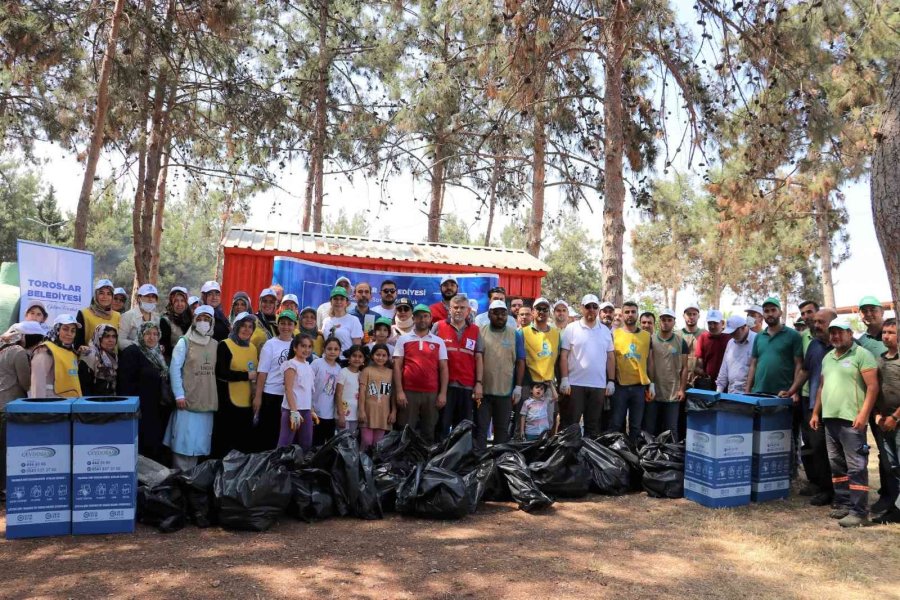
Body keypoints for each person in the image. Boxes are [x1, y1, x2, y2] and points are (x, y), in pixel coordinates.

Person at [810, 319, 879, 527]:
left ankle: (859, 512)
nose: (835, 337)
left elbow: (873, 387)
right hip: (830, 418)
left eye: (840, 332)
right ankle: (843, 503)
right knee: (837, 464)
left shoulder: (862, 355)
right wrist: (815, 413)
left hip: (852, 420)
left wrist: (863, 414)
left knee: (856, 467)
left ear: (850, 333)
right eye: (832, 333)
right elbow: (822, 387)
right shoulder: (828, 357)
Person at [784, 308, 838, 506]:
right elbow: (805, 371)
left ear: (832, 324)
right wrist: (791, 391)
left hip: (839, 410)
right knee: (818, 449)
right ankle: (825, 490)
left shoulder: (847, 347)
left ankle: (843, 494)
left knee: (839, 454)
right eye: (814, 322)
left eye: (821, 322)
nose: (816, 326)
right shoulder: (814, 345)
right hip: (815, 407)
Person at [165, 304, 218, 471]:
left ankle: (191, 482)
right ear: (194, 321)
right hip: (187, 401)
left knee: (197, 446)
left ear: (212, 322)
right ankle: (178, 482)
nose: (203, 322)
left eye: (207, 319)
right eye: (200, 318)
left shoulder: (216, 344)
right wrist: (179, 394)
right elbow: (174, 369)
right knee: (183, 445)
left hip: (206, 402)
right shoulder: (184, 342)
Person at [559, 294, 615, 438]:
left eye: (594, 307)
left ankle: (588, 459)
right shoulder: (571, 328)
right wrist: (564, 379)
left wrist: (611, 381)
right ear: (582, 308)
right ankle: (570, 458)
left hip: (598, 386)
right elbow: (564, 355)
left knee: (593, 426)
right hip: (575, 385)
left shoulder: (605, 331)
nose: (591, 310)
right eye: (588, 306)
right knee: (572, 425)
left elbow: (610, 357)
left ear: (598, 309)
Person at [393, 304, 448, 444]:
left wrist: (442, 393)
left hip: (431, 393)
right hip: (408, 392)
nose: (422, 319)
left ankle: (425, 463)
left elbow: (443, 369)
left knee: (428, 431)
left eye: (425, 316)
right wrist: (399, 391)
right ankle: (405, 463)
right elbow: (397, 366)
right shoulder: (403, 339)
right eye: (418, 316)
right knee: (406, 430)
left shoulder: (438, 341)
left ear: (430, 319)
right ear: (413, 319)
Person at [0, 321, 44, 496]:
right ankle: (3, 487)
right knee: (5, 449)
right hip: (9, 406)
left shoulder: (2, 350)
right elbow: (26, 383)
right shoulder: (18, 353)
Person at [433, 294, 483, 441]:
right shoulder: (439, 326)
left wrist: (479, 383)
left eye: (462, 308)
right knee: (442, 427)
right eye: (455, 307)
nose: (459, 311)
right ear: (449, 309)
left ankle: (459, 462)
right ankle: (440, 460)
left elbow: (479, 357)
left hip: (467, 387)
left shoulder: (475, 330)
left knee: (463, 430)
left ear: (468, 311)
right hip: (444, 387)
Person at [477, 300, 525, 452]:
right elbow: (476, 359)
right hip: (483, 393)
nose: (500, 316)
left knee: (502, 433)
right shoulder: (480, 331)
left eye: (503, 313)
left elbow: (520, 362)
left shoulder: (515, 334)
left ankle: (497, 465)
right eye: (496, 313)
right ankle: (479, 464)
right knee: (480, 431)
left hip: (505, 392)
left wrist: (518, 387)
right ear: (489, 314)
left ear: (507, 315)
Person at [118, 322, 170, 462]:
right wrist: (132, 407)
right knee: (141, 446)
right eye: (147, 333)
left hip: (157, 408)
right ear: (141, 335)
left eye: (155, 334)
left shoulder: (158, 353)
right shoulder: (132, 352)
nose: (151, 337)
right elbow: (125, 383)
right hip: (140, 409)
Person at [212, 311, 258, 457]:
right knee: (225, 443)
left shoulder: (252, 348)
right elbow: (221, 373)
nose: (246, 329)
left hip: (247, 403)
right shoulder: (225, 345)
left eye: (250, 327)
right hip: (228, 404)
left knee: (243, 443)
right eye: (243, 325)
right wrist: (245, 375)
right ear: (236, 326)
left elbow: (255, 373)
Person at [252, 309, 298, 452]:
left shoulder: (297, 345)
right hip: (271, 394)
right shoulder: (270, 344)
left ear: (294, 326)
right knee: (268, 435)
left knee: (283, 435)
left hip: (289, 397)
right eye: (282, 323)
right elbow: (262, 372)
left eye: (289, 324)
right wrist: (258, 397)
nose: (286, 327)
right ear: (278, 325)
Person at [610, 301, 654, 445]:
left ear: (637, 314)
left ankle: (634, 456)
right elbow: (610, 360)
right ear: (622, 315)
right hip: (619, 387)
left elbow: (650, 361)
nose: (630, 315)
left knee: (636, 426)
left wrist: (651, 383)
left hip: (639, 388)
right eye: (627, 312)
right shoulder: (614, 335)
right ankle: (617, 455)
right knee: (616, 424)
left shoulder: (646, 336)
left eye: (633, 312)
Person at [516, 297, 559, 435]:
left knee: (548, 422)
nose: (542, 312)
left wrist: (562, 381)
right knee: (524, 421)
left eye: (545, 309)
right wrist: (517, 386)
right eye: (538, 309)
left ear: (549, 312)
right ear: (533, 312)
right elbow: (519, 361)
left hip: (547, 387)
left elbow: (557, 360)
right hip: (528, 385)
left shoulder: (556, 334)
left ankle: (544, 454)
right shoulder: (522, 332)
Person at [645, 309, 688, 439]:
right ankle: (649, 456)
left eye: (669, 320)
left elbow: (685, 367)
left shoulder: (681, 342)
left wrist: (682, 389)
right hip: (653, 392)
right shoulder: (650, 340)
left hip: (672, 393)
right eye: (663, 319)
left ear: (674, 322)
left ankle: (671, 457)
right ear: (659, 322)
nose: (666, 322)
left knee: (671, 429)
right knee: (650, 427)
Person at [749, 298, 803, 397]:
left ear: (780, 313)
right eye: (766, 311)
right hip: (758, 392)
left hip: (782, 394)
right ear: (763, 314)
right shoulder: (759, 337)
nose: (770, 314)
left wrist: (794, 391)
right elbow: (753, 364)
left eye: (773, 310)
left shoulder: (793, 335)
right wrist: (748, 390)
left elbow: (798, 365)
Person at [874, 318, 900, 524]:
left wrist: (894, 417)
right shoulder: (880, 359)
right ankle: (896, 506)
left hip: (897, 420)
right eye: (884, 332)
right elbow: (875, 390)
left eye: (891, 332)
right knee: (892, 466)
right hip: (883, 422)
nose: (886, 336)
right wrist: (878, 415)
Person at [278, 334, 316, 451]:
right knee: (285, 443)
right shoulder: (291, 364)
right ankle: (277, 468)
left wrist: (311, 410)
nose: (307, 349)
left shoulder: (308, 366)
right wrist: (294, 411)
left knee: (306, 443)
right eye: (303, 346)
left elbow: (308, 391)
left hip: (306, 411)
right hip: (292, 410)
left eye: (309, 346)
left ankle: (300, 468)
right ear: (295, 347)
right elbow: (288, 389)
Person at [30, 314, 82, 398]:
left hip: (71, 404)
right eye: (65, 329)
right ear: (57, 329)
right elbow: (37, 382)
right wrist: (39, 407)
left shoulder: (71, 352)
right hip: (51, 406)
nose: (69, 334)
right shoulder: (45, 350)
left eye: (73, 331)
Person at [358, 343, 395, 452]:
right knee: (366, 441)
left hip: (383, 414)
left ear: (388, 357)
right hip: (368, 412)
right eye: (377, 354)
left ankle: (373, 466)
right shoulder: (367, 371)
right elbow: (362, 392)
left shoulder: (391, 373)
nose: (380, 357)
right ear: (372, 355)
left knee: (377, 444)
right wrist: (361, 411)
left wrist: (394, 412)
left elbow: (393, 394)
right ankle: (362, 463)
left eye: (384, 355)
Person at [311, 337, 342, 445]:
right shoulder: (317, 364)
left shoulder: (339, 368)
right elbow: (308, 385)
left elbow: (337, 392)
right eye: (329, 349)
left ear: (339, 351)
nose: (332, 351)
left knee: (328, 443)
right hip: (314, 410)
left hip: (329, 413)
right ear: (324, 349)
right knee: (316, 442)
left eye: (336, 349)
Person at [75, 278, 121, 349]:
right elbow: (77, 343)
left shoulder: (117, 316)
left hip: (113, 359)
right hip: (90, 358)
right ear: (96, 295)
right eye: (101, 293)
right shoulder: (84, 314)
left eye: (109, 294)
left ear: (112, 297)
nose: (105, 297)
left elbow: (119, 343)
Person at [715, 315, 757, 394]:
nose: (732, 335)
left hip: (751, 394)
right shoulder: (730, 342)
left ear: (743, 327)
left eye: (734, 332)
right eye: (730, 333)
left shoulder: (756, 339)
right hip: (732, 392)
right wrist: (718, 391)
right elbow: (724, 368)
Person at [78, 324, 119, 396]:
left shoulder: (113, 356)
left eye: (114, 336)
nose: (111, 340)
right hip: (93, 402)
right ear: (98, 338)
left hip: (109, 401)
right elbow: (84, 386)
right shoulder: (89, 355)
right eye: (106, 336)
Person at [694, 309, 730, 389]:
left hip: (727, 384)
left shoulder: (729, 338)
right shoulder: (703, 337)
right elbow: (699, 363)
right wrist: (701, 372)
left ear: (722, 323)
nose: (712, 326)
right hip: (708, 383)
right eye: (709, 323)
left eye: (715, 323)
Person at [118, 283, 160, 350]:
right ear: (139, 298)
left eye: (153, 297)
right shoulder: (128, 316)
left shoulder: (157, 318)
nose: (150, 299)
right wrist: (140, 345)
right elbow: (120, 341)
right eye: (147, 296)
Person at [321, 286, 363, 353]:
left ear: (346, 302)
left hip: (344, 361)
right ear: (331, 302)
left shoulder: (354, 320)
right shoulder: (326, 321)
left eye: (342, 299)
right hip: (327, 360)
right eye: (335, 299)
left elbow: (357, 347)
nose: (339, 301)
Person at [336, 345, 365, 434]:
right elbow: (338, 394)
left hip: (355, 415)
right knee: (343, 441)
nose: (357, 359)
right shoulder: (343, 372)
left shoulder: (362, 375)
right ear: (349, 358)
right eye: (354, 356)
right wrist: (341, 415)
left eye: (360, 356)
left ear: (363, 360)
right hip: (343, 415)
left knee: (351, 440)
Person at [159, 286, 192, 364]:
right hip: (172, 362)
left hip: (189, 362)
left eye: (182, 300)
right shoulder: (165, 320)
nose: (179, 304)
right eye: (176, 301)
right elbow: (165, 348)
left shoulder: (190, 318)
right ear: (171, 302)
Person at [681, 303, 705, 386]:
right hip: (680, 381)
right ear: (683, 316)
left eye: (694, 314)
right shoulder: (676, 335)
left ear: (698, 316)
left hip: (700, 381)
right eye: (688, 314)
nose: (691, 317)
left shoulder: (705, 334)